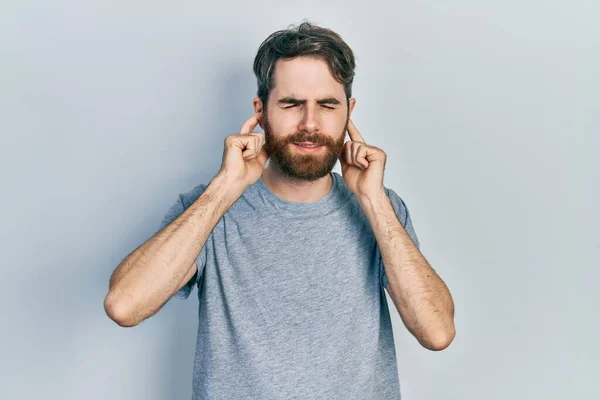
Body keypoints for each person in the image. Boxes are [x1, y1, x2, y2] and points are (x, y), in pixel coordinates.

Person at [104, 20, 455, 400]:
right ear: (261, 110)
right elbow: (125, 305)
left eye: (327, 105)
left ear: (348, 113)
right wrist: (226, 187)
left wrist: (372, 200)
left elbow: (436, 332)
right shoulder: (209, 206)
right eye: (291, 104)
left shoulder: (381, 208)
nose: (310, 123)